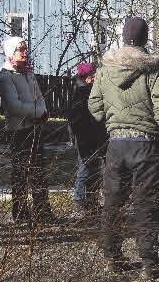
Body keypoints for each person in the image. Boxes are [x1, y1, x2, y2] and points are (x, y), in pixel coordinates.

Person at [88, 17, 159, 278]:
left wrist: (113, 123)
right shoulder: (154, 71)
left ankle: (112, 257)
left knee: (112, 202)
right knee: (145, 203)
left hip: (116, 145)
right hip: (145, 145)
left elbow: (94, 108)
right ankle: (149, 262)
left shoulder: (105, 70)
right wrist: (157, 131)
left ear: (124, 37)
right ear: (145, 38)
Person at [0, 37, 52, 224]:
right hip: (18, 130)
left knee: (38, 171)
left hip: (35, 127)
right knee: (20, 172)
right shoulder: (6, 76)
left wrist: (43, 111)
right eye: (20, 49)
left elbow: (39, 97)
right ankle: (20, 212)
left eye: (25, 49)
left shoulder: (28, 73)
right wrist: (37, 112)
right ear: (11, 53)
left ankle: (42, 210)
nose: (24, 52)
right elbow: (14, 106)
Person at [67, 61, 108, 220]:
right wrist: (81, 137)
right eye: (94, 75)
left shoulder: (90, 90)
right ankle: (79, 201)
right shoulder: (81, 92)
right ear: (88, 77)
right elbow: (76, 120)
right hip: (85, 138)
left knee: (95, 171)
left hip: (96, 135)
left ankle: (91, 201)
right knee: (84, 169)